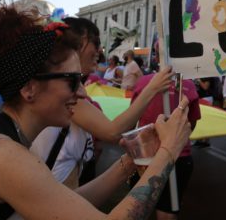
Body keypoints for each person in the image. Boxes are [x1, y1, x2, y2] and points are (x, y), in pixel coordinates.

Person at [0, 1, 192, 219]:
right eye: (72, 80)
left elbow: (67, 206)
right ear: (29, 89)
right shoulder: (4, 155)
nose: (82, 91)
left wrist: (129, 161)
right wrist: (168, 153)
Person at [31, 17, 173, 187]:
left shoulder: (75, 93)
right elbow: (112, 132)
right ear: (79, 45)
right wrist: (151, 89)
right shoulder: (66, 96)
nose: (100, 50)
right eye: (95, 42)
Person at [131, 74, 201, 219]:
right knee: (166, 212)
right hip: (177, 156)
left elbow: (132, 118)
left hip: (147, 155)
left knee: (135, 208)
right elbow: (190, 124)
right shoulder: (188, 85)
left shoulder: (143, 82)